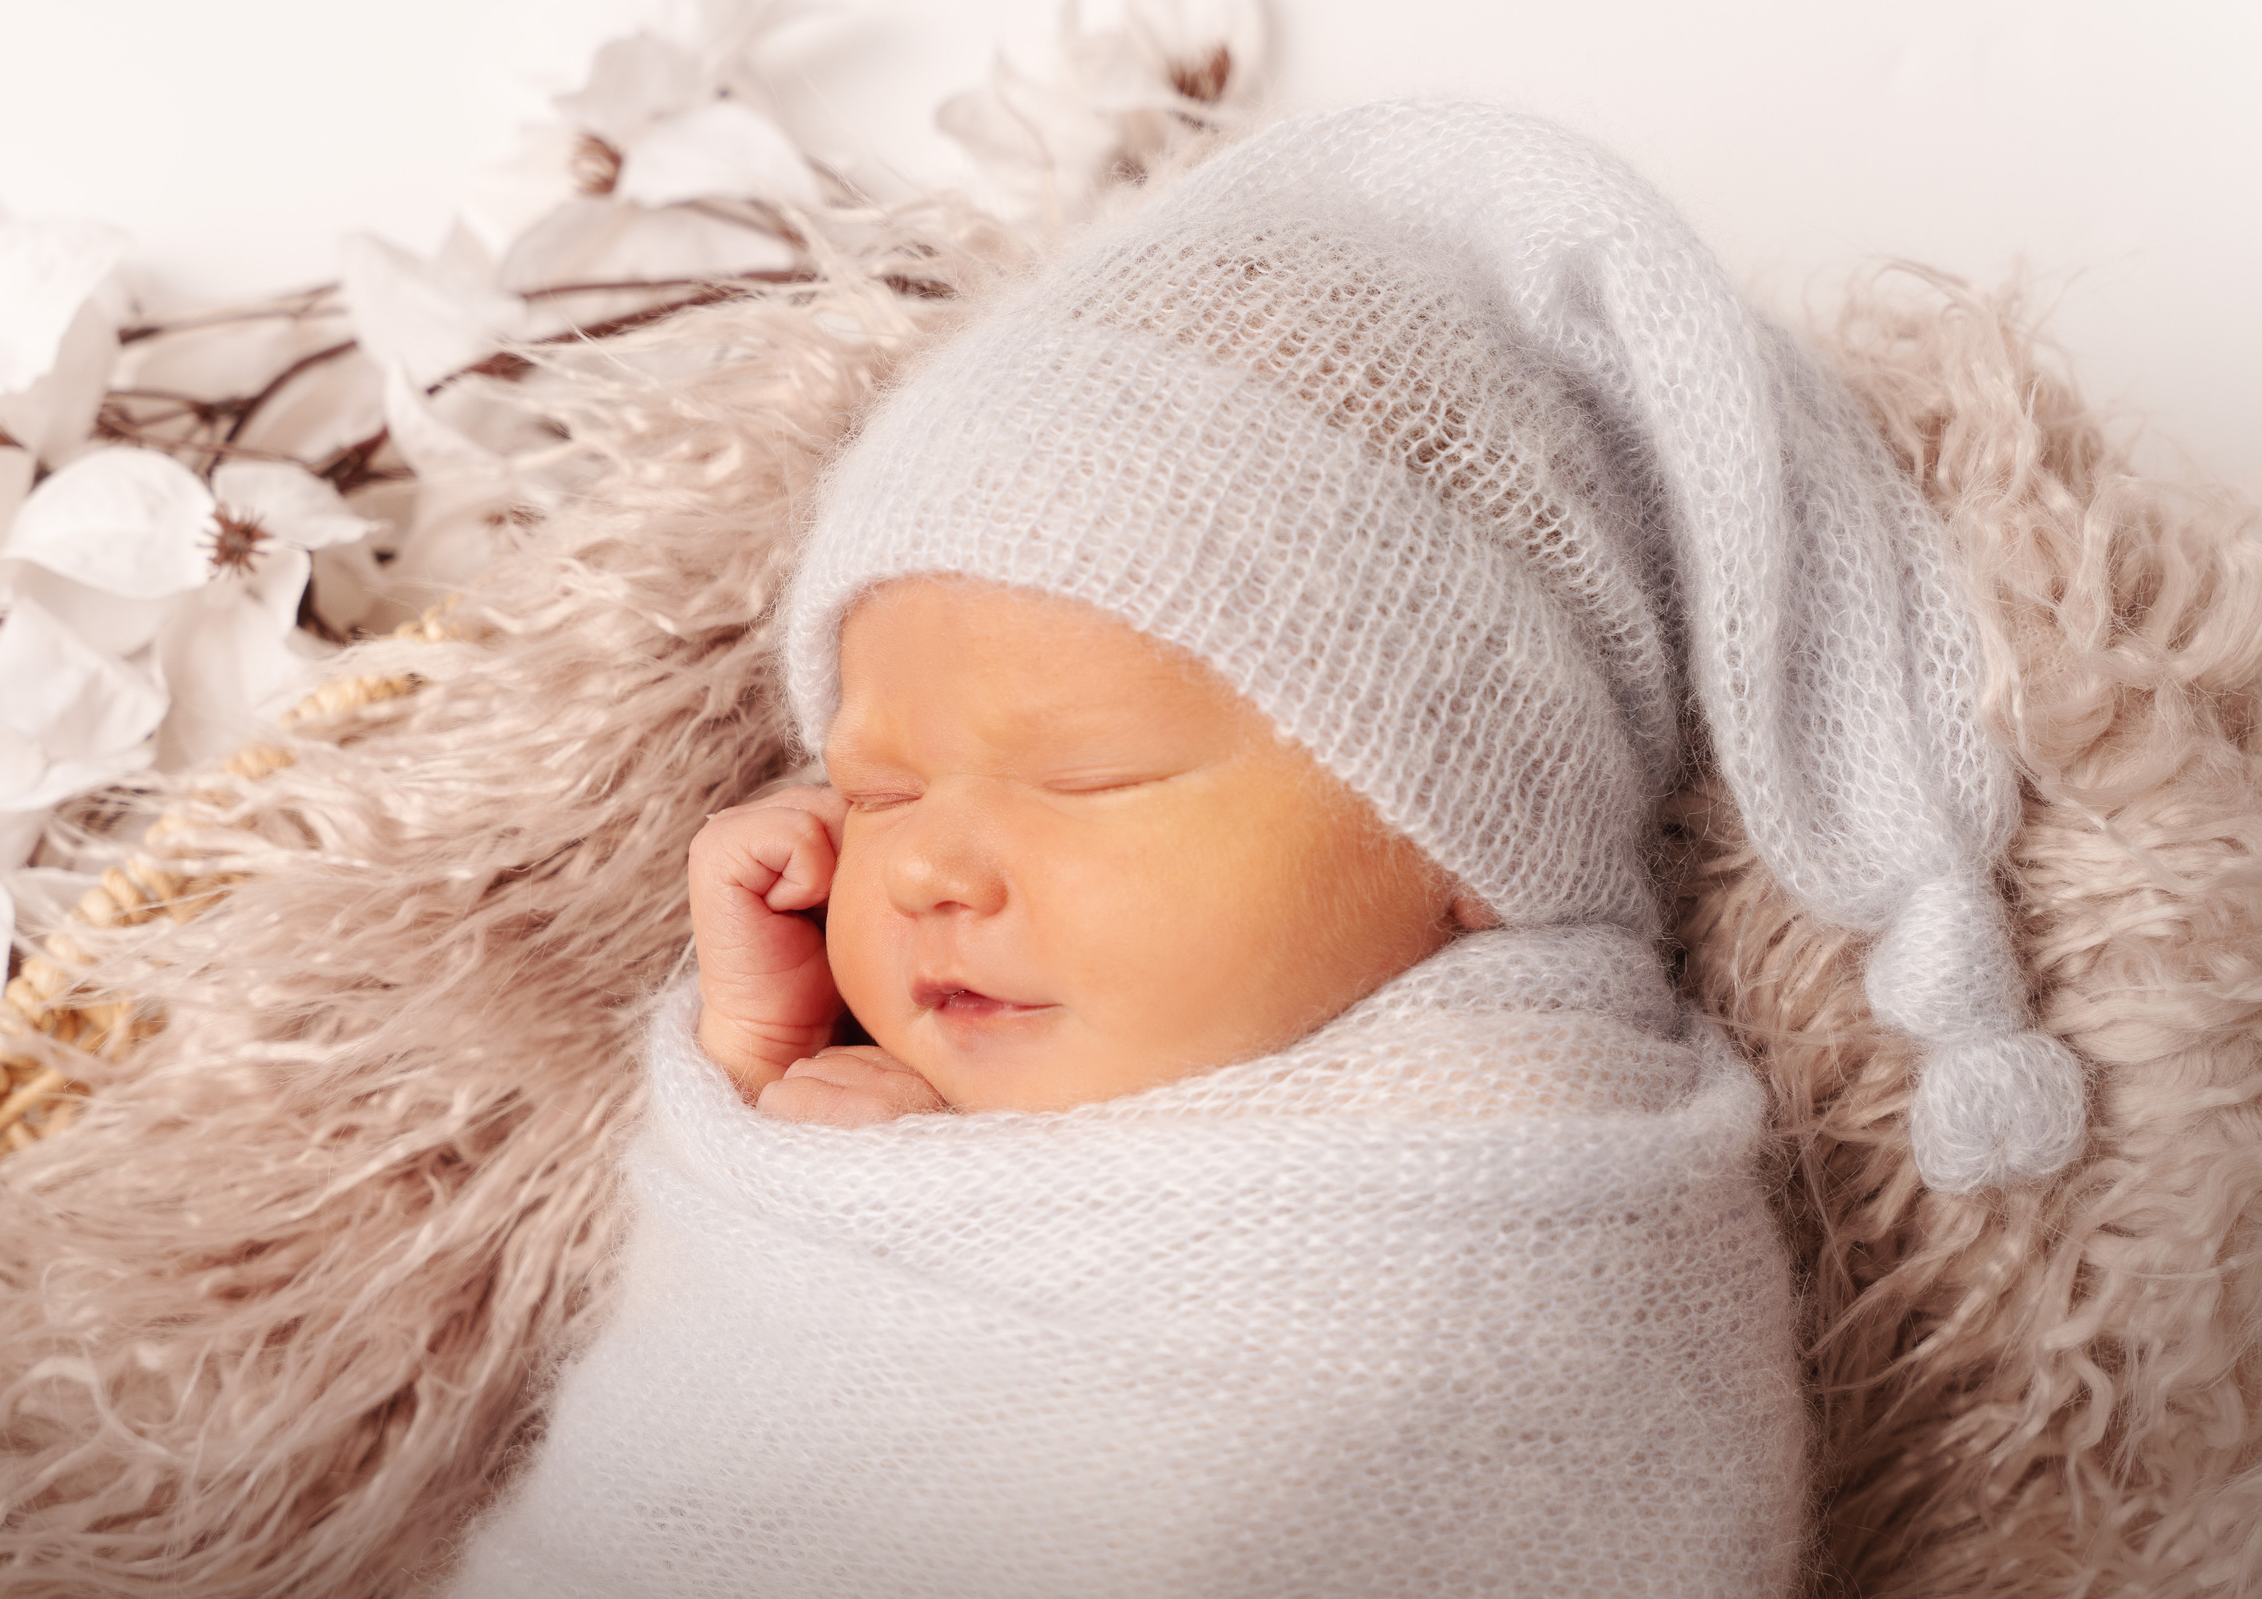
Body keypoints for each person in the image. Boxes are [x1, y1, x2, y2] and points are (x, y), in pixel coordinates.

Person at [447, 98, 2086, 1597]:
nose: (929, 870)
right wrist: (764, 1102)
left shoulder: (1519, 1203)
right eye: (875, 792)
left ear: (1466, 839)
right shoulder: (904, 1090)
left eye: (1086, 777)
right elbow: (690, 1455)